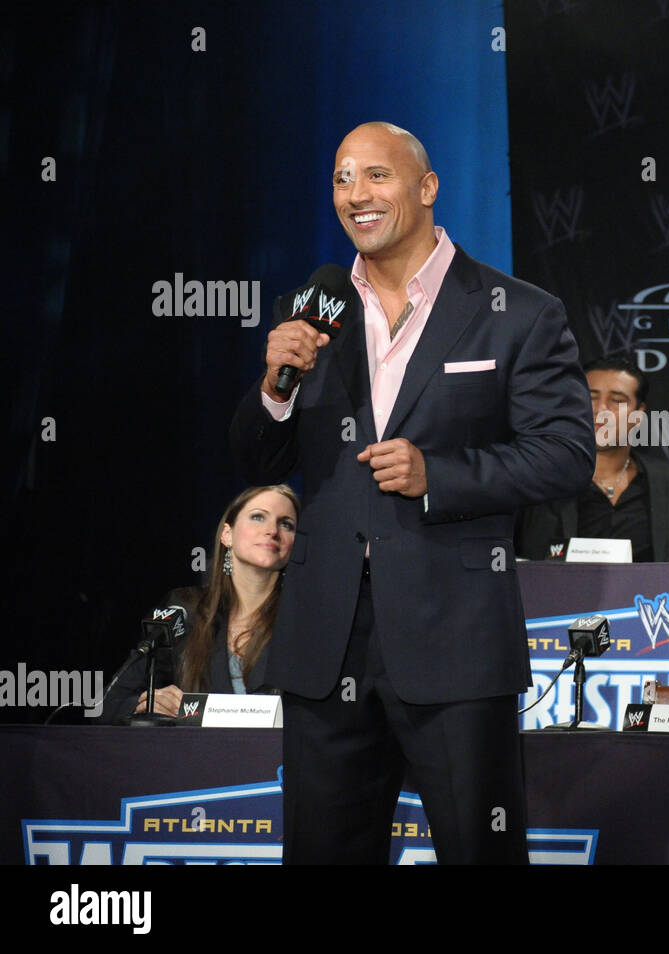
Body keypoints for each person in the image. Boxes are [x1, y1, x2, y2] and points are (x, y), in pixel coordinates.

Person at [229, 121, 593, 864]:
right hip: (325, 645)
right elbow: (256, 458)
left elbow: (564, 456)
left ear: (426, 188)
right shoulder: (316, 313)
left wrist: (441, 476)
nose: (354, 195)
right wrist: (272, 386)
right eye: (340, 178)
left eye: (376, 176)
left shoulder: (517, 311)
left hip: (454, 644)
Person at [99, 485, 299, 724]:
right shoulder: (184, 609)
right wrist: (150, 704)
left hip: (279, 758)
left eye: (286, 524)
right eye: (258, 517)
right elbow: (108, 705)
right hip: (196, 757)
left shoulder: (305, 618)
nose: (272, 530)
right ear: (227, 534)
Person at [515, 354, 669, 561]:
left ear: (638, 415)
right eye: (590, 397)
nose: (601, 410)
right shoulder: (539, 477)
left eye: (617, 401)